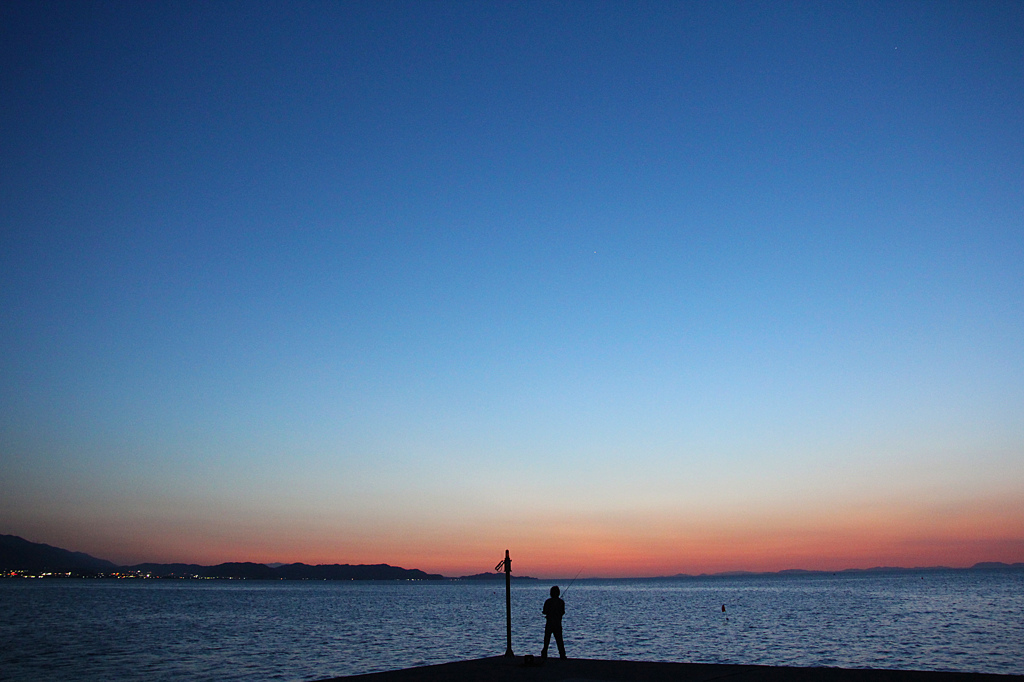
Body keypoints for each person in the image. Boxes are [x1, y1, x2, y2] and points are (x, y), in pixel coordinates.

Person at [541, 585, 566, 659]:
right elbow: (562, 612)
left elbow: (544, 611)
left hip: (549, 623)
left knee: (547, 640)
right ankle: (562, 654)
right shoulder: (561, 602)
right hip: (558, 624)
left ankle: (544, 654)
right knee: (559, 640)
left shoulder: (548, 601)